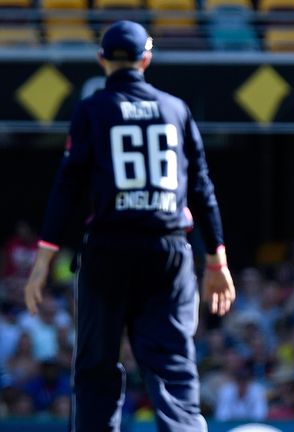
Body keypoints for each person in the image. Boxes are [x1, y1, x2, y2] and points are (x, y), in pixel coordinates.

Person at [23, 20, 236, 432]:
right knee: (173, 368)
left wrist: (42, 260)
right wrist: (217, 261)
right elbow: (202, 189)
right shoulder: (176, 109)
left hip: (108, 250)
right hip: (169, 249)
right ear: (146, 58)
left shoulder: (92, 109)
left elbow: (66, 188)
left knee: (96, 366)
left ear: (101, 59)